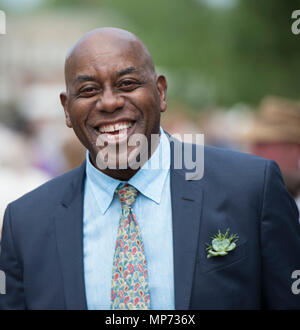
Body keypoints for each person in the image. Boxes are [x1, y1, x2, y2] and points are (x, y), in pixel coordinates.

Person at [0, 28, 300, 310]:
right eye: (89, 90)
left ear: (161, 92)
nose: (109, 102)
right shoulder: (25, 224)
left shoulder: (250, 189)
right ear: (67, 109)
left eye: (127, 84)